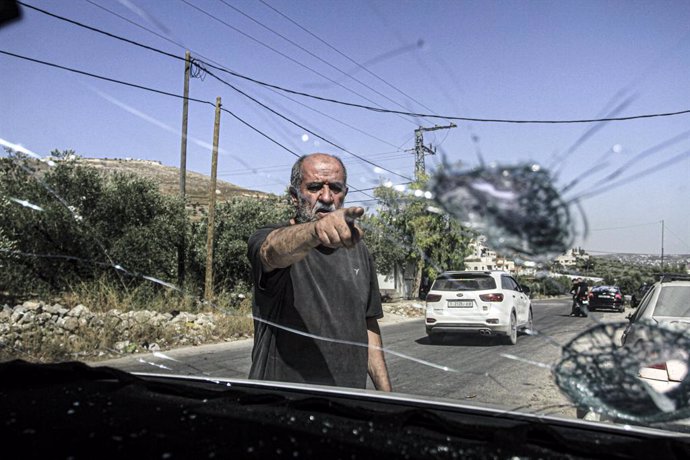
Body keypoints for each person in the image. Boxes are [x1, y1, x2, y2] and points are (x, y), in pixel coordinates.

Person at [246, 153, 392, 391]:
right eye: (314, 188)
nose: (326, 197)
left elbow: (368, 325)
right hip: (280, 406)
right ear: (294, 196)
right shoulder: (269, 238)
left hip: (347, 405)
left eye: (335, 188)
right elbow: (271, 251)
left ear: (344, 193)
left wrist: (388, 397)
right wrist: (315, 231)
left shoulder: (358, 249)